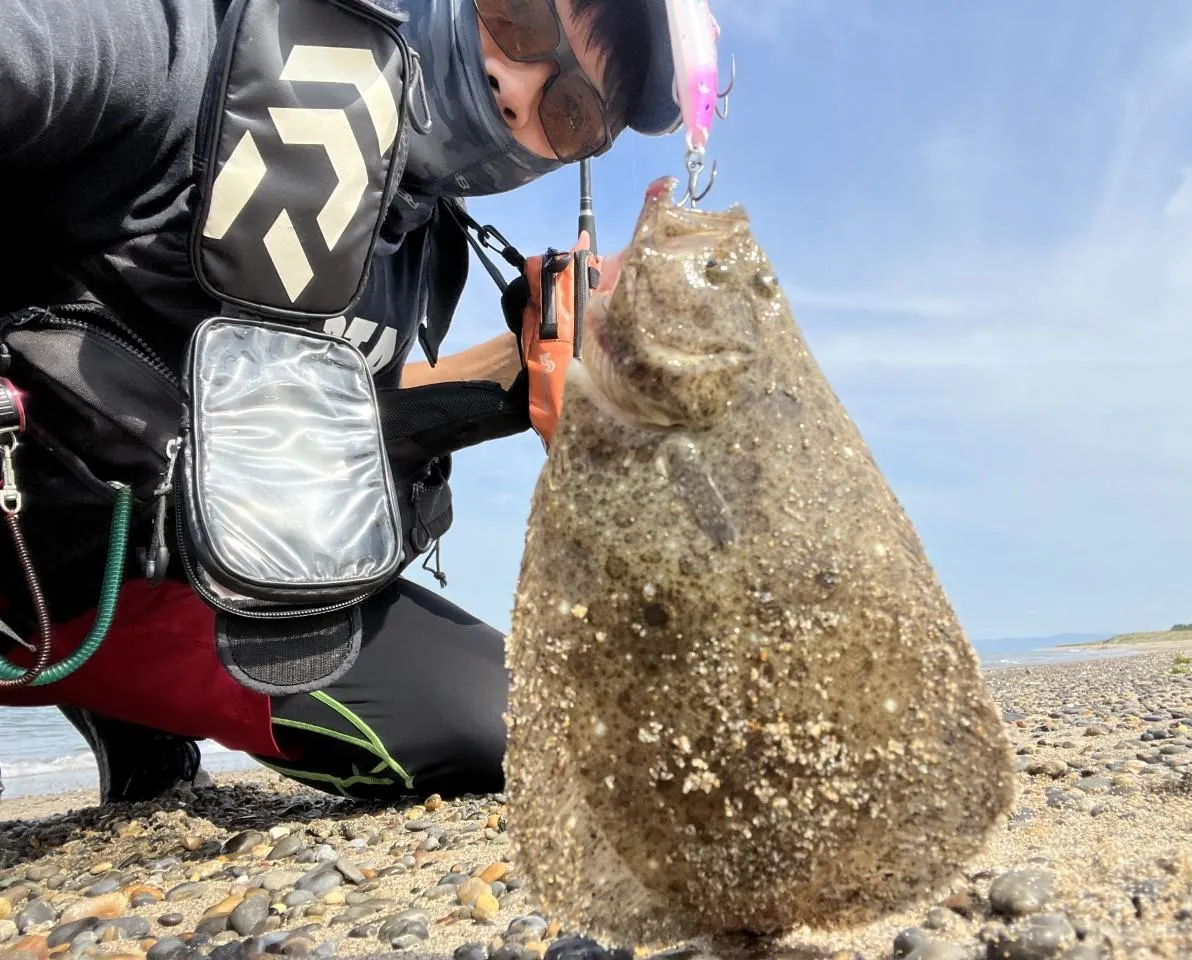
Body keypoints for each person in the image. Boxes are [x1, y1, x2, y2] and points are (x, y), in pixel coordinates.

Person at [0, 0, 686, 803]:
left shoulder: (417, 241)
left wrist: (533, 366)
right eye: (517, 16)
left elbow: (338, 424)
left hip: (167, 582)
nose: (515, 86)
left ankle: (123, 698)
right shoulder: (186, 46)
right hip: (26, 526)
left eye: (569, 111)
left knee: (525, 726)